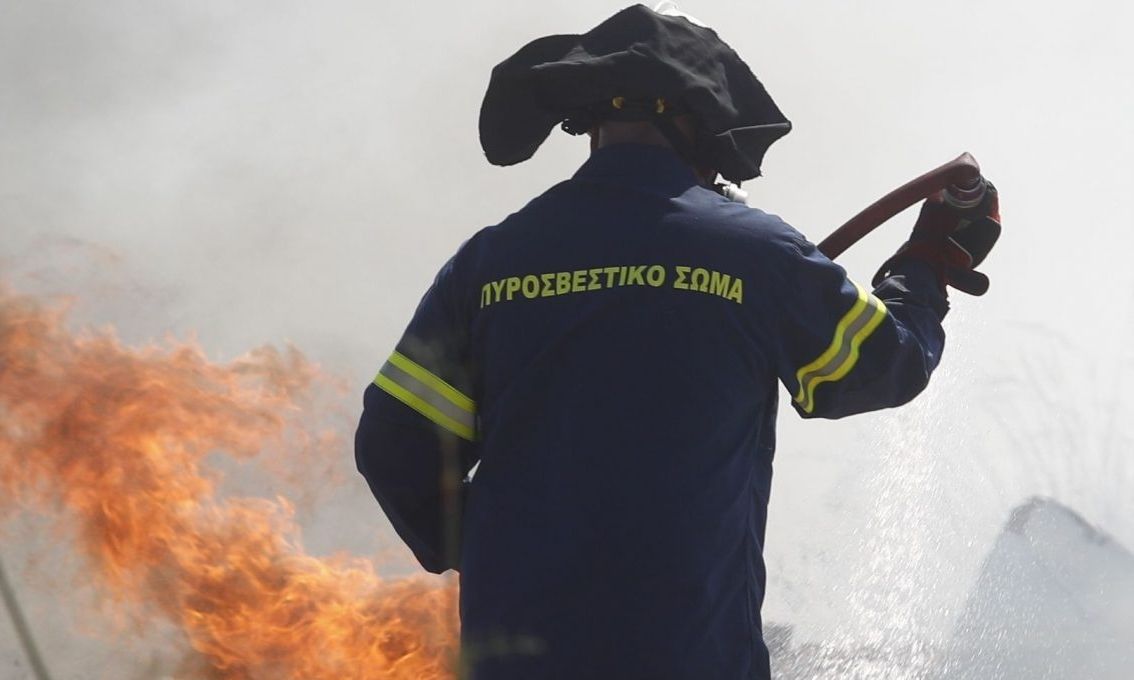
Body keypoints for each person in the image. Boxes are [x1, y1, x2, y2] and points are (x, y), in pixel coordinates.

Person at [354, 5, 1000, 679]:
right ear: (701, 123)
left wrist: (494, 548)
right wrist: (924, 266)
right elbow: (884, 366)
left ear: (590, 122)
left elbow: (393, 445)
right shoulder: (755, 254)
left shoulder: (489, 263)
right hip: (689, 656)